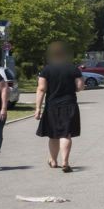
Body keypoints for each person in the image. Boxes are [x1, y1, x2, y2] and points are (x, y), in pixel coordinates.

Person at [35, 42, 84, 173]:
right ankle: (65, 162)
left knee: (53, 135)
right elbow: (80, 87)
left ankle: (53, 160)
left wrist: (38, 108)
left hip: (52, 106)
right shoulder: (73, 69)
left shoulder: (46, 69)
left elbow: (41, 89)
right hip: (69, 104)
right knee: (66, 134)